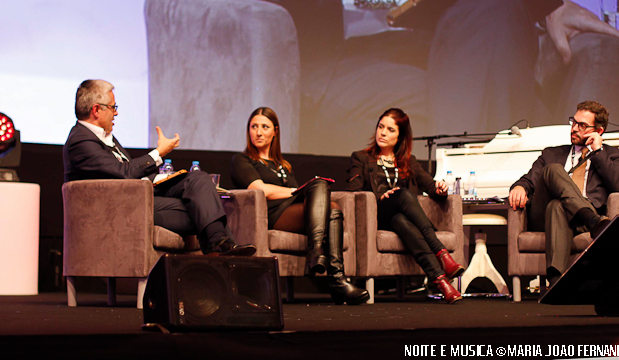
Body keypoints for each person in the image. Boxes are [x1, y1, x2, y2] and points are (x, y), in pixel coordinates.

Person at [152, 0, 619, 156]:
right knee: (480, 87)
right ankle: (478, 214)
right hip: (340, 64)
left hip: (445, 44)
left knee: (497, 7)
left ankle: (486, 198)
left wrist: (548, 1)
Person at [63, 79, 256, 256]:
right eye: (113, 107)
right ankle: (223, 252)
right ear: (96, 110)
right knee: (203, 207)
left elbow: (129, 173)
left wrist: (163, 178)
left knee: (199, 180)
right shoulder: (80, 141)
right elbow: (124, 173)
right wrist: (159, 153)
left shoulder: (104, 136)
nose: (116, 113)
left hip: (141, 197)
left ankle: (220, 246)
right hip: (124, 210)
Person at [230, 107, 370, 305]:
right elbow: (260, 190)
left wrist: (306, 190)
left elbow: (298, 197)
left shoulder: (283, 165)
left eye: (264, 127)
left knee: (332, 206)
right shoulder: (242, 160)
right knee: (320, 189)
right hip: (268, 215)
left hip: (289, 210)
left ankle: (330, 269)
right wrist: (301, 190)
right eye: (254, 127)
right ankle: (334, 276)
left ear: (275, 131)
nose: (258, 132)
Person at [347, 108, 464, 303]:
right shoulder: (361, 158)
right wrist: (379, 196)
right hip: (376, 216)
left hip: (398, 220)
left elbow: (429, 185)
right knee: (403, 194)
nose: (383, 133)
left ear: (400, 136)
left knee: (401, 219)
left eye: (390, 130)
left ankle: (442, 281)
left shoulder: (409, 162)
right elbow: (354, 193)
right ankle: (441, 253)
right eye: (380, 127)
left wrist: (440, 188)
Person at [508, 100, 619, 286]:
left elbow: (618, 186)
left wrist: (597, 151)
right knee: (553, 170)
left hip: (579, 220)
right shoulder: (551, 154)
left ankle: (556, 280)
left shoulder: (611, 155)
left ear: (599, 131)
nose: (574, 129)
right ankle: (593, 221)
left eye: (582, 125)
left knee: (557, 206)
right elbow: (528, 179)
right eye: (573, 122)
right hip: (548, 219)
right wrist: (519, 187)